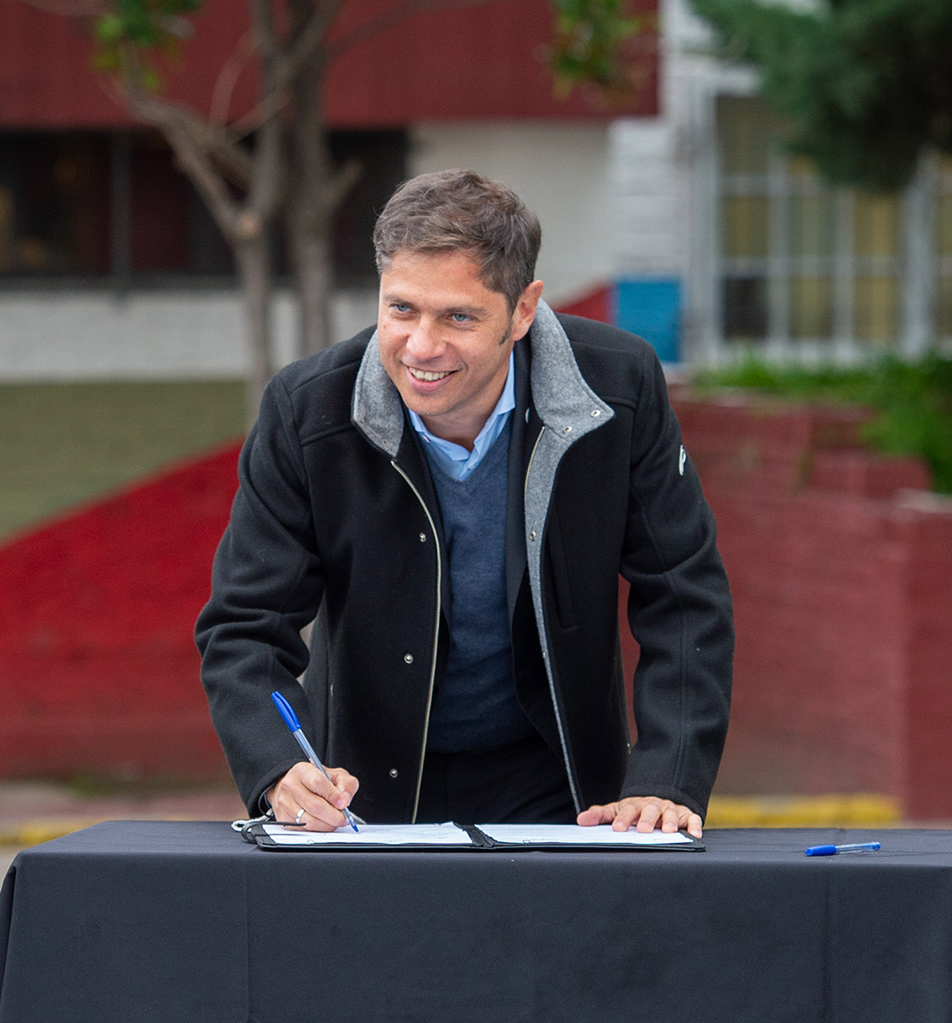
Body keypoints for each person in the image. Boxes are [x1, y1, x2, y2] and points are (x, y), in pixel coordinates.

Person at [196, 170, 733, 837]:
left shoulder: (620, 388)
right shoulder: (306, 412)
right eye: (401, 309)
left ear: (523, 310)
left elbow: (684, 596)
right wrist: (278, 766)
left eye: (458, 316)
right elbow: (245, 626)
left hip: (564, 786)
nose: (422, 347)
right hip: (364, 793)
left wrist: (665, 777)